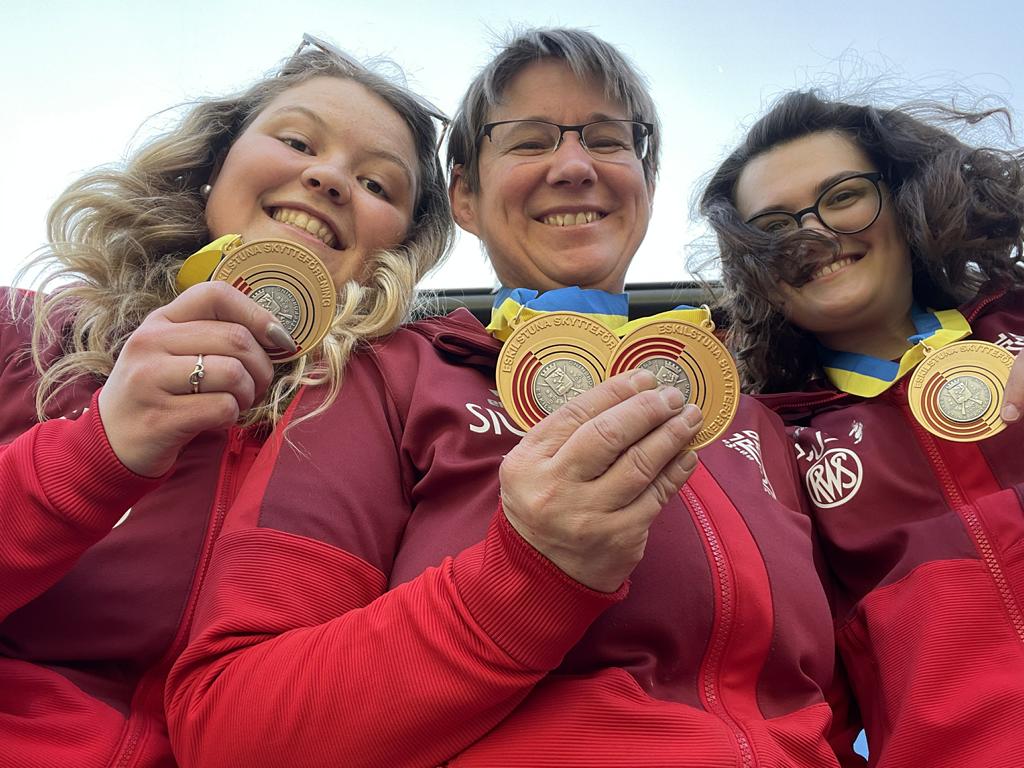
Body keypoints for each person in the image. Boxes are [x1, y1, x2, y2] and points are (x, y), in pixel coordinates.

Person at [166, 29, 860, 768]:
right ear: (464, 194)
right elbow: (231, 730)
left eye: (607, 139)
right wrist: (530, 576)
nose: (573, 165)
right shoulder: (384, 378)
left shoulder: (751, 416)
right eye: (528, 142)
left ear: (645, 182)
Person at [0, 36, 451, 768]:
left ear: (399, 247)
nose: (329, 178)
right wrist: (94, 453)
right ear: (215, 164)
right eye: (299, 139)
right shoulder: (18, 332)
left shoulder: (397, 426)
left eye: (378, 186)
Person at [699, 90, 1024, 766]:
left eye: (842, 195)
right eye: (775, 226)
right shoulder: (762, 450)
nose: (812, 234)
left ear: (905, 202)